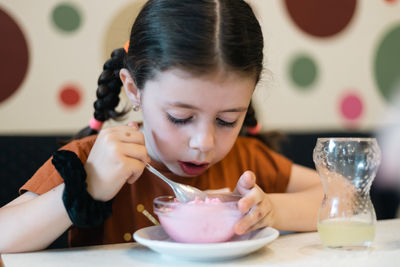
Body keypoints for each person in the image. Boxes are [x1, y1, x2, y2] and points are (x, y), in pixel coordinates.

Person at [0, 0, 323, 253]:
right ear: (133, 89)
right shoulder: (89, 162)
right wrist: (87, 188)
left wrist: (270, 209)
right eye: (180, 117)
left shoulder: (246, 160)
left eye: (226, 120)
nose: (204, 142)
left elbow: (342, 196)